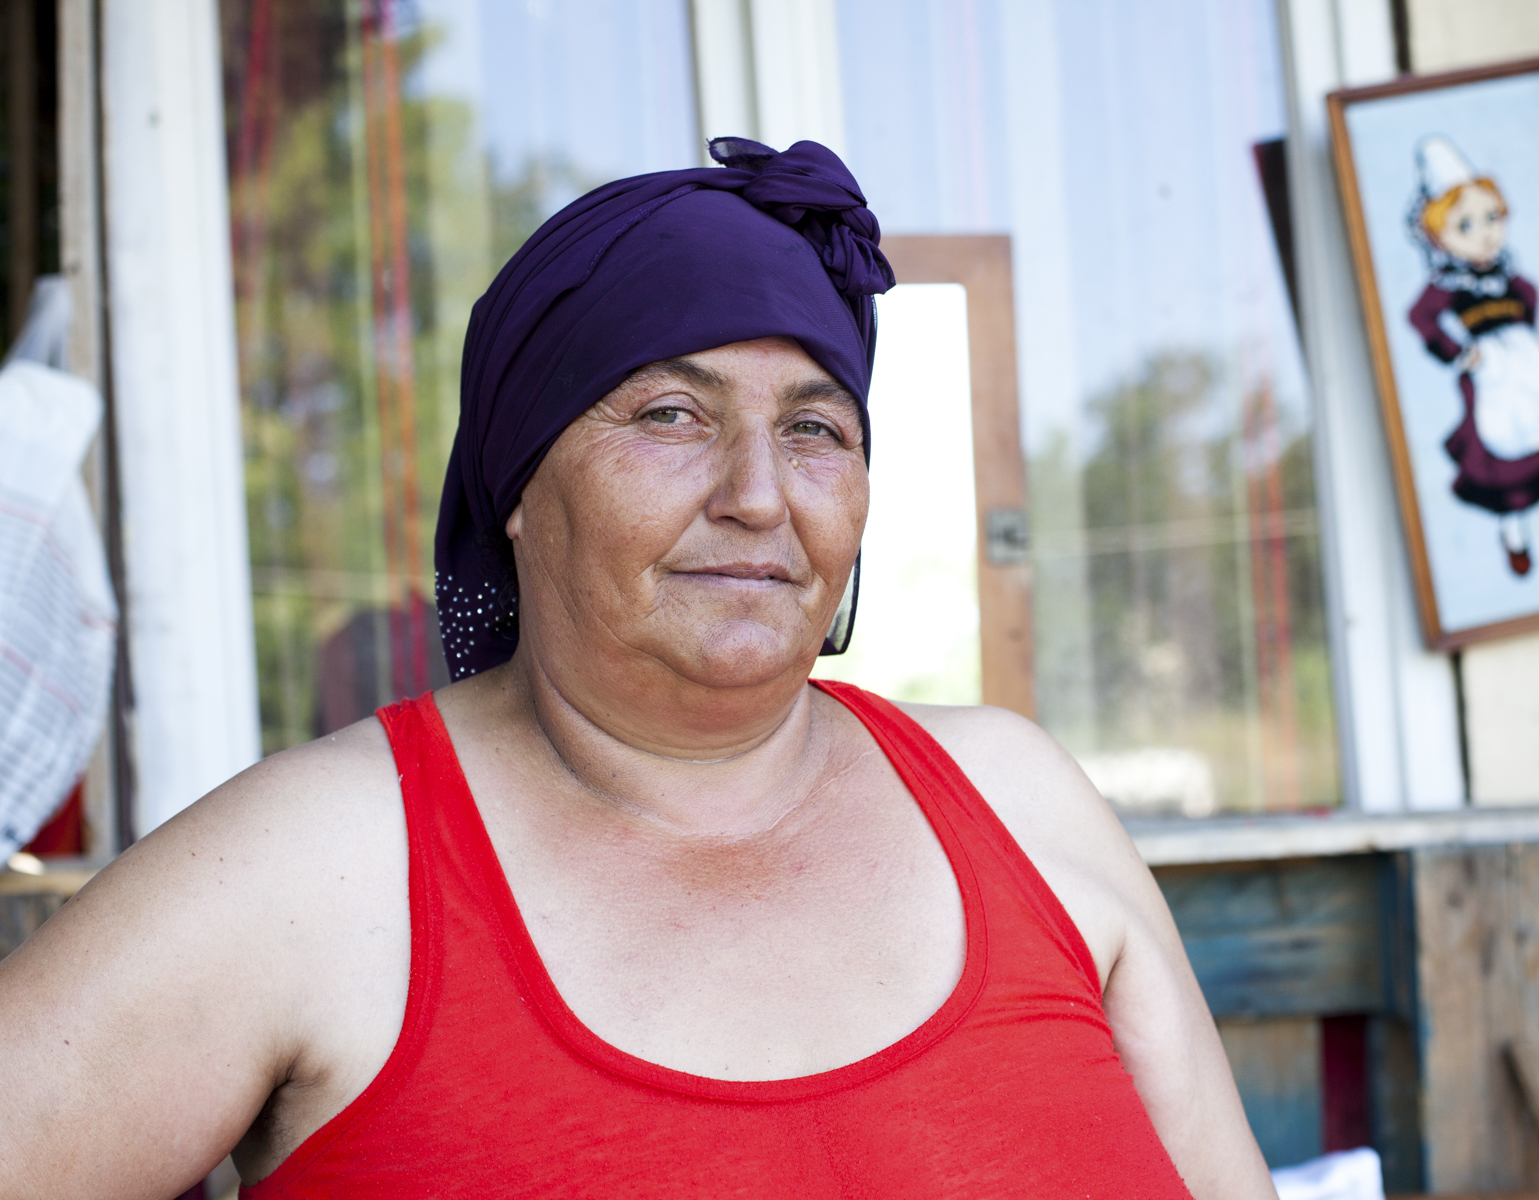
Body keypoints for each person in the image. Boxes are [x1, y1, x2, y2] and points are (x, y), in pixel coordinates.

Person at [0, 139, 1274, 1199]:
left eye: (815, 428)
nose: (759, 495)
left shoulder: (1017, 797)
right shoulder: (317, 869)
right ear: (517, 484)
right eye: (672, 415)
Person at [1406, 134, 1539, 577]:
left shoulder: (1506, 272)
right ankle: (1515, 533)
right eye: (1466, 226)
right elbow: (1422, 318)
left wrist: (1523, 332)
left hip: (1530, 360)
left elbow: (1529, 296)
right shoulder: (1449, 285)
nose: (1487, 233)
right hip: (1493, 374)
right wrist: (1460, 354)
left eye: (1492, 217)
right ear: (1438, 236)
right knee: (1507, 442)